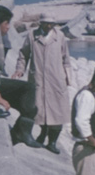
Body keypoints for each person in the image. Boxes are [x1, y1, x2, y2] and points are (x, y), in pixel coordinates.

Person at [13, 10, 74, 154]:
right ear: (41, 23)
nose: (48, 27)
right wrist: (20, 69)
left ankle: (52, 142)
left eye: (51, 24)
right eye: (46, 24)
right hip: (38, 78)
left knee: (57, 112)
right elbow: (23, 54)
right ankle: (41, 135)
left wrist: (67, 77)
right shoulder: (32, 36)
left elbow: (66, 59)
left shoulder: (59, 37)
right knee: (39, 110)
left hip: (56, 81)